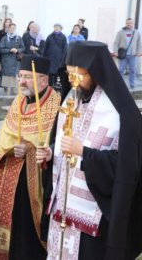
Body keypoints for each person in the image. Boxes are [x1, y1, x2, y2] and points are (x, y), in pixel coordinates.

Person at [41, 41, 142, 259]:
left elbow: (126, 168)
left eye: (79, 75)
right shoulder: (70, 101)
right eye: (69, 75)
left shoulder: (121, 113)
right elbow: (61, 140)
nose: (72, 81)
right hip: (61, 207)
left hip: (94, 217)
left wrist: (84, 153)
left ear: (96, 73)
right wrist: (51, 152)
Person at [0, 55, 60, 260]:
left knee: (25, 236)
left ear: (44, 80)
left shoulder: (56, 105)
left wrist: (29, 149)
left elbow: (54, 145)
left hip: (33, 186)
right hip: (8, 178)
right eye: (20, 76)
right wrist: (11, 149)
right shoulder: (18, 100)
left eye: (28, 77)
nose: (22, 81)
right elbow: (4, 136)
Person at [112, 18, 142, 89]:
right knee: (121, 70)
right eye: (127, 23)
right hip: (123, 55)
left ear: (133, 23)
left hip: (133, 55)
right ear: (126, 23)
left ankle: (132, 84)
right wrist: (115, 52)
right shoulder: (120, 32)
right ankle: (120, 84)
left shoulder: (137, 33)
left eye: (130, 23)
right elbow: (116, 43)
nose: (129, 24)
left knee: (133, 70)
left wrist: (139, 52)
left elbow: (139, 43)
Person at [0, 23, 25, 95]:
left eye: (14, 28)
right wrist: (9, 50)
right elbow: (1, 50)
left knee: (15, 83)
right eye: (11, 28)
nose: (12, 29)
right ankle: (6, 97)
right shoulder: (4, 39)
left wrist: (18, 50)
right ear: (8, 29)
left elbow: (23, 48)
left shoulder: (18, 38)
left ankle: (15, 99)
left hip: (16, 62)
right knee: (7, 84)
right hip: (7, 62)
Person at [43, 23, 67, 87]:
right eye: (55, 27)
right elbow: (45, 47)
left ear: (61, 29)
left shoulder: (63, 37)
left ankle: (56, 91)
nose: (56, 28)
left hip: (59, 59)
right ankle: (49, 90)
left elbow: (65, 49)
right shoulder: (49, 36)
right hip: (49, 58)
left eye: (58, 27)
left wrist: (63, 59)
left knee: (57, 76)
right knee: (49, 76)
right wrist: (44, 57)